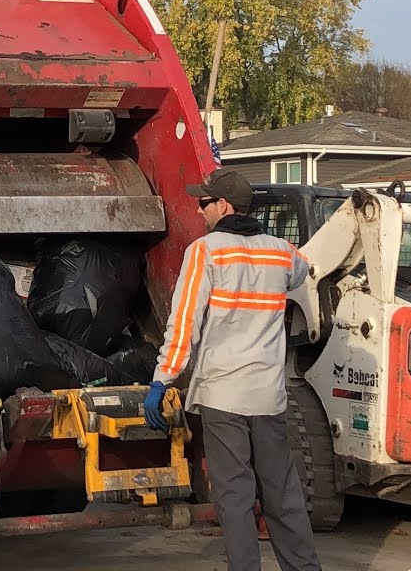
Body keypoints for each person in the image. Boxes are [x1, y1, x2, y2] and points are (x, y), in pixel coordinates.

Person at [143, 168, 321, 571]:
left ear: (223, 206)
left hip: (224, 396)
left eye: (204, 202)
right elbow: (303, 269)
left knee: (236, 498)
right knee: (283, 494)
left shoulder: (206, 251)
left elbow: (184, 321)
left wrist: (162, 379)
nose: (199, 208)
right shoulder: (280, 251)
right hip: (268, 396)